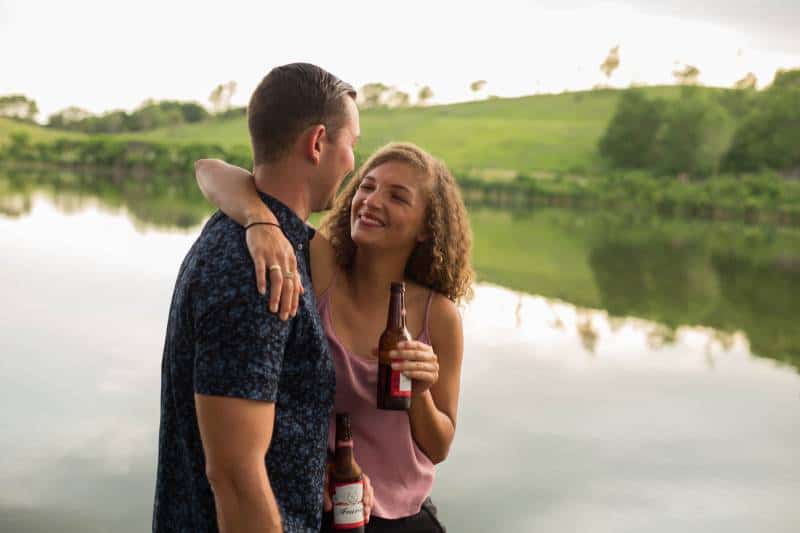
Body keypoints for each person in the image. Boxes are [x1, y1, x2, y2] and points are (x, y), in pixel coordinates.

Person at [195, 142, 474, 532]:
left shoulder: (438, 316)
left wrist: (420, 391)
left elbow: (439, 447)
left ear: (428, 228)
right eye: (367, 186)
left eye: (397, 196)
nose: (371, 201)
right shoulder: (322, 269)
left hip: (403, 519)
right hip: (322, 511)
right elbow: (209, 171)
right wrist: (260, 222)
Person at [153, 63, 373, 533]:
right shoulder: (257, 273)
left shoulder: (276, 244)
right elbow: (234, 476)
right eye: (352, 143)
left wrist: (315, 469)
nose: (354, 161)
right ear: (317, 143)